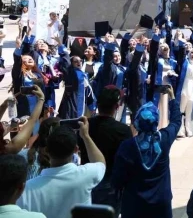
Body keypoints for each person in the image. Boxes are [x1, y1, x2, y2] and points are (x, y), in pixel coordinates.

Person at [111, 86, 182, 218]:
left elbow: (117, 180)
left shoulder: (127, 146)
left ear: (137, 122)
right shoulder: (164, 139)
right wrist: (172, 98)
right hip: (161, 204)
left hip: (134, 205)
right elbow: (176, 121)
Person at [17, 118, 106, 216]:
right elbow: (100, 162)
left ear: (46, 150)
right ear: (76, 149)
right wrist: (85, 136)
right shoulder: (86, 175)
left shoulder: (27, 189)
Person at [79, 86, 132, 216]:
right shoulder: (122, 130)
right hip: (111, 184)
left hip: (87, 180)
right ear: (117, 107)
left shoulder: (84, 126)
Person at [0, 87, 44, 155]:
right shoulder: (9, 149)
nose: (5, 123)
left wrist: (4, 104)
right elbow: (32, 120)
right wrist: (41, 99)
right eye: (4, 124)